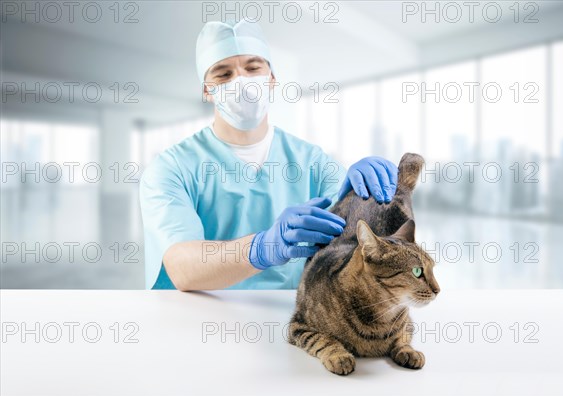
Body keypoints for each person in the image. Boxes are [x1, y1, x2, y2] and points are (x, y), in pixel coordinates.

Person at [139, 19, 398, 291]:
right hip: (198, 318)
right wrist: (262, 248)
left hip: (291, 319)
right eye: (223, 74)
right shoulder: (171, 168)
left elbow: (359, 243)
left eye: (252, 68)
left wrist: (368, 201)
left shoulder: (313, 162)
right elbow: (181, 266)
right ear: (207, 90)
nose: (241, 81)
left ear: (272, 79)